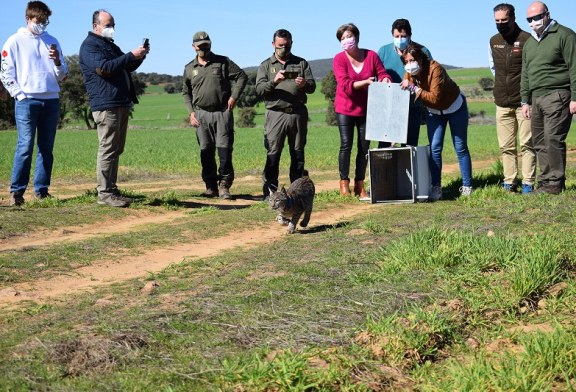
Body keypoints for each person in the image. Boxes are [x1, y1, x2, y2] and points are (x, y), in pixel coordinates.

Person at [79, 9, 149, 207]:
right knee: (108, 149)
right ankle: (104, 194)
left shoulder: (108, 45)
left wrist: (139, 56)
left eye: (113, 25)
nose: (111, 28)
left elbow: (125, 66)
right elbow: (105, 69)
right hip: (106, 104)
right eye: (108, 25)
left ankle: (112, 189)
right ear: (96, 26)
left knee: (116, 149)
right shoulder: (90, 46)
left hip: (120, 102)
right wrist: (130, 55)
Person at [0, 1, 68, 206]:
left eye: (45, 22)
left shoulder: (52, 41)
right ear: (28, 18)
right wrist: (19, 95)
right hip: (26, 101)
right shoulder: (13, 41)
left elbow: (63, 75)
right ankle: (17, 192)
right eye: (39, 21)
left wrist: (57, 60)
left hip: (51, 100)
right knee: (25, 146)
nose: (42, 25)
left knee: (46, 148)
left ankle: (41, 190)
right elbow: (5, 73)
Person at [400, 44, 473, 201]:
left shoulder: (435, 69)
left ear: (420, 59)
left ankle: (467, 186)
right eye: (406, 61)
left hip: (455, 107)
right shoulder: (409, 73)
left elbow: (435, 98)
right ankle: (436, 187)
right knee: (435, 149)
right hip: (434, 113)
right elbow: (405, 83)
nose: (409, 64)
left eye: (412, 60)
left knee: (460, 147)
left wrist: (414, 88)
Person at [182, 31, 247, 199]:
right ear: (193, 47)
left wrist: (234, 97)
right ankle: (211, 186)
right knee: (206, 152)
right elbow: (185, 92)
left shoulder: (223, 61)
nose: (204, 48)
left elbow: (241, 76)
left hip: (222, 113)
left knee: (224, 152)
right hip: (201, 116)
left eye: (207, 44)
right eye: (201, 46)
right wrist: (191, 112)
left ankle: (225, 186)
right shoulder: (189, 68)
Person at [520, 1, 576, 195]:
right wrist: (524, 101)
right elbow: (525, 73)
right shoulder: (529, 43)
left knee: (553, 138)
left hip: (558, 94)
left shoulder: (565, 35)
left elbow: (574, 67)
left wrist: (575, 97)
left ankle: (556, 182)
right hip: (536, 98)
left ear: (547, 14)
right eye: (529, 19)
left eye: (536, 17)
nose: (533, 22)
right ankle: (544, 182)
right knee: (539, 141)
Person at [256, 29, 316, 200]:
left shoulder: (301, 63)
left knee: (297, 154)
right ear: (273, 44)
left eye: (287, 45)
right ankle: (270, 192)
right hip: (275, 114)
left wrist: (304, 83)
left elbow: (312, 87)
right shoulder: (266, 65)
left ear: (291, 43)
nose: (284, 48)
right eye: (280, 45)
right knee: (273, 153)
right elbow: (259, 90)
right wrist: (274, 82)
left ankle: (296, 192)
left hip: (297, 113)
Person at [333, 23, 391, 198]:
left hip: (367, 109)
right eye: (342, 38)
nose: (346, 41)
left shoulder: (371, 55)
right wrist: (366, 82)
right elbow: (346, 86)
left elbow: (382, 73)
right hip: (345, 109)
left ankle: (360, 184)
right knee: (346, 145)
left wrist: (385, 79)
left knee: (364, 147)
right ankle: (344, 182)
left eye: (349, 36)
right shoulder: (339, 59)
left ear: (357, 37)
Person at [490, 3, 536, 194]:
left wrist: (528, 98)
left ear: (513, 18)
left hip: (523, 102)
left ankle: (528, 183)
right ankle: (509, 182)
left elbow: (532, 70)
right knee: (506, 146)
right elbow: (493, 68)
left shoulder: (527, 40)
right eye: (497, 21)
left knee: (527, 144)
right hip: (502, 101)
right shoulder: (493, 41)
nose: (500, 24)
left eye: (504, 20)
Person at [377, 18, 432, 147]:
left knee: (409, 147)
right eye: (397, 36)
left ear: (410, 36)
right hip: (389, 107)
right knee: (386, 148)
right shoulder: (383, 52)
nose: (400, 39)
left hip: (413, 105)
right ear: (392, 35)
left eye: (403, 36)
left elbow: (430, 77)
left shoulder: (423, 51)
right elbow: (377, 75)